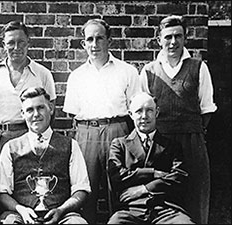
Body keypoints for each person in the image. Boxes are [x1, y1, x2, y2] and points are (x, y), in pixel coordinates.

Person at [139, 15, 217, 224]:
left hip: (192, 142)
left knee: (195, 195)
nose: (173, 42)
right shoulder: (148, 71)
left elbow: (207, 109)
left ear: (185, 38)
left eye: (178, 36)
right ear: (159, 40)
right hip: (162, 143)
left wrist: (191, 130)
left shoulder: (198, 67)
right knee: (162, 199)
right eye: (168, 37)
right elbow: (144, 110)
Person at [62, 18, 141, 223]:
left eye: (99, 38)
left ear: (109, 41)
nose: (94, 44)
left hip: (118, 130)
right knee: (85, 189)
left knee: (119, 187)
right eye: (90, 39)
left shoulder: (127, 71)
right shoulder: (77, 76)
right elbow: (73, 112)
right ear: (83, 44)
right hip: (87, 133)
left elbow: (136, 109)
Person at [0, 21, 56, 223]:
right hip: (0, 136)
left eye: (21, 42)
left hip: (30, 136)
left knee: (30, 189)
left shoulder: (42, 74)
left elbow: (50, 110)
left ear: (28, 43)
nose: (16, 48)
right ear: (3, 45)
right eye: (10, 43)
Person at [0, 87, 91, 224]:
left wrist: (61, 210)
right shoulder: (11, 147)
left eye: (41, 108)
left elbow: (81, 190)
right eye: (30, 110)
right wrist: (20, 209)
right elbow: (1, 193)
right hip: (21, 215)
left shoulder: (70, 145)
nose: (36, 114)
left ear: (50, 108)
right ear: (23, 114)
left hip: (61, 215)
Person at [107, 92, 195, 224]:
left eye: (149, 110)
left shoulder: (172, 145)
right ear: (130, 114)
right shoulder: (119, 144)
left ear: (157, 113)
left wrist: (144, 188)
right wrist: (154, 173)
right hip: (131, 209)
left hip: (166, 209)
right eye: (138, 111)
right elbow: (117, 176)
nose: (144, 116)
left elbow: (179, 177)